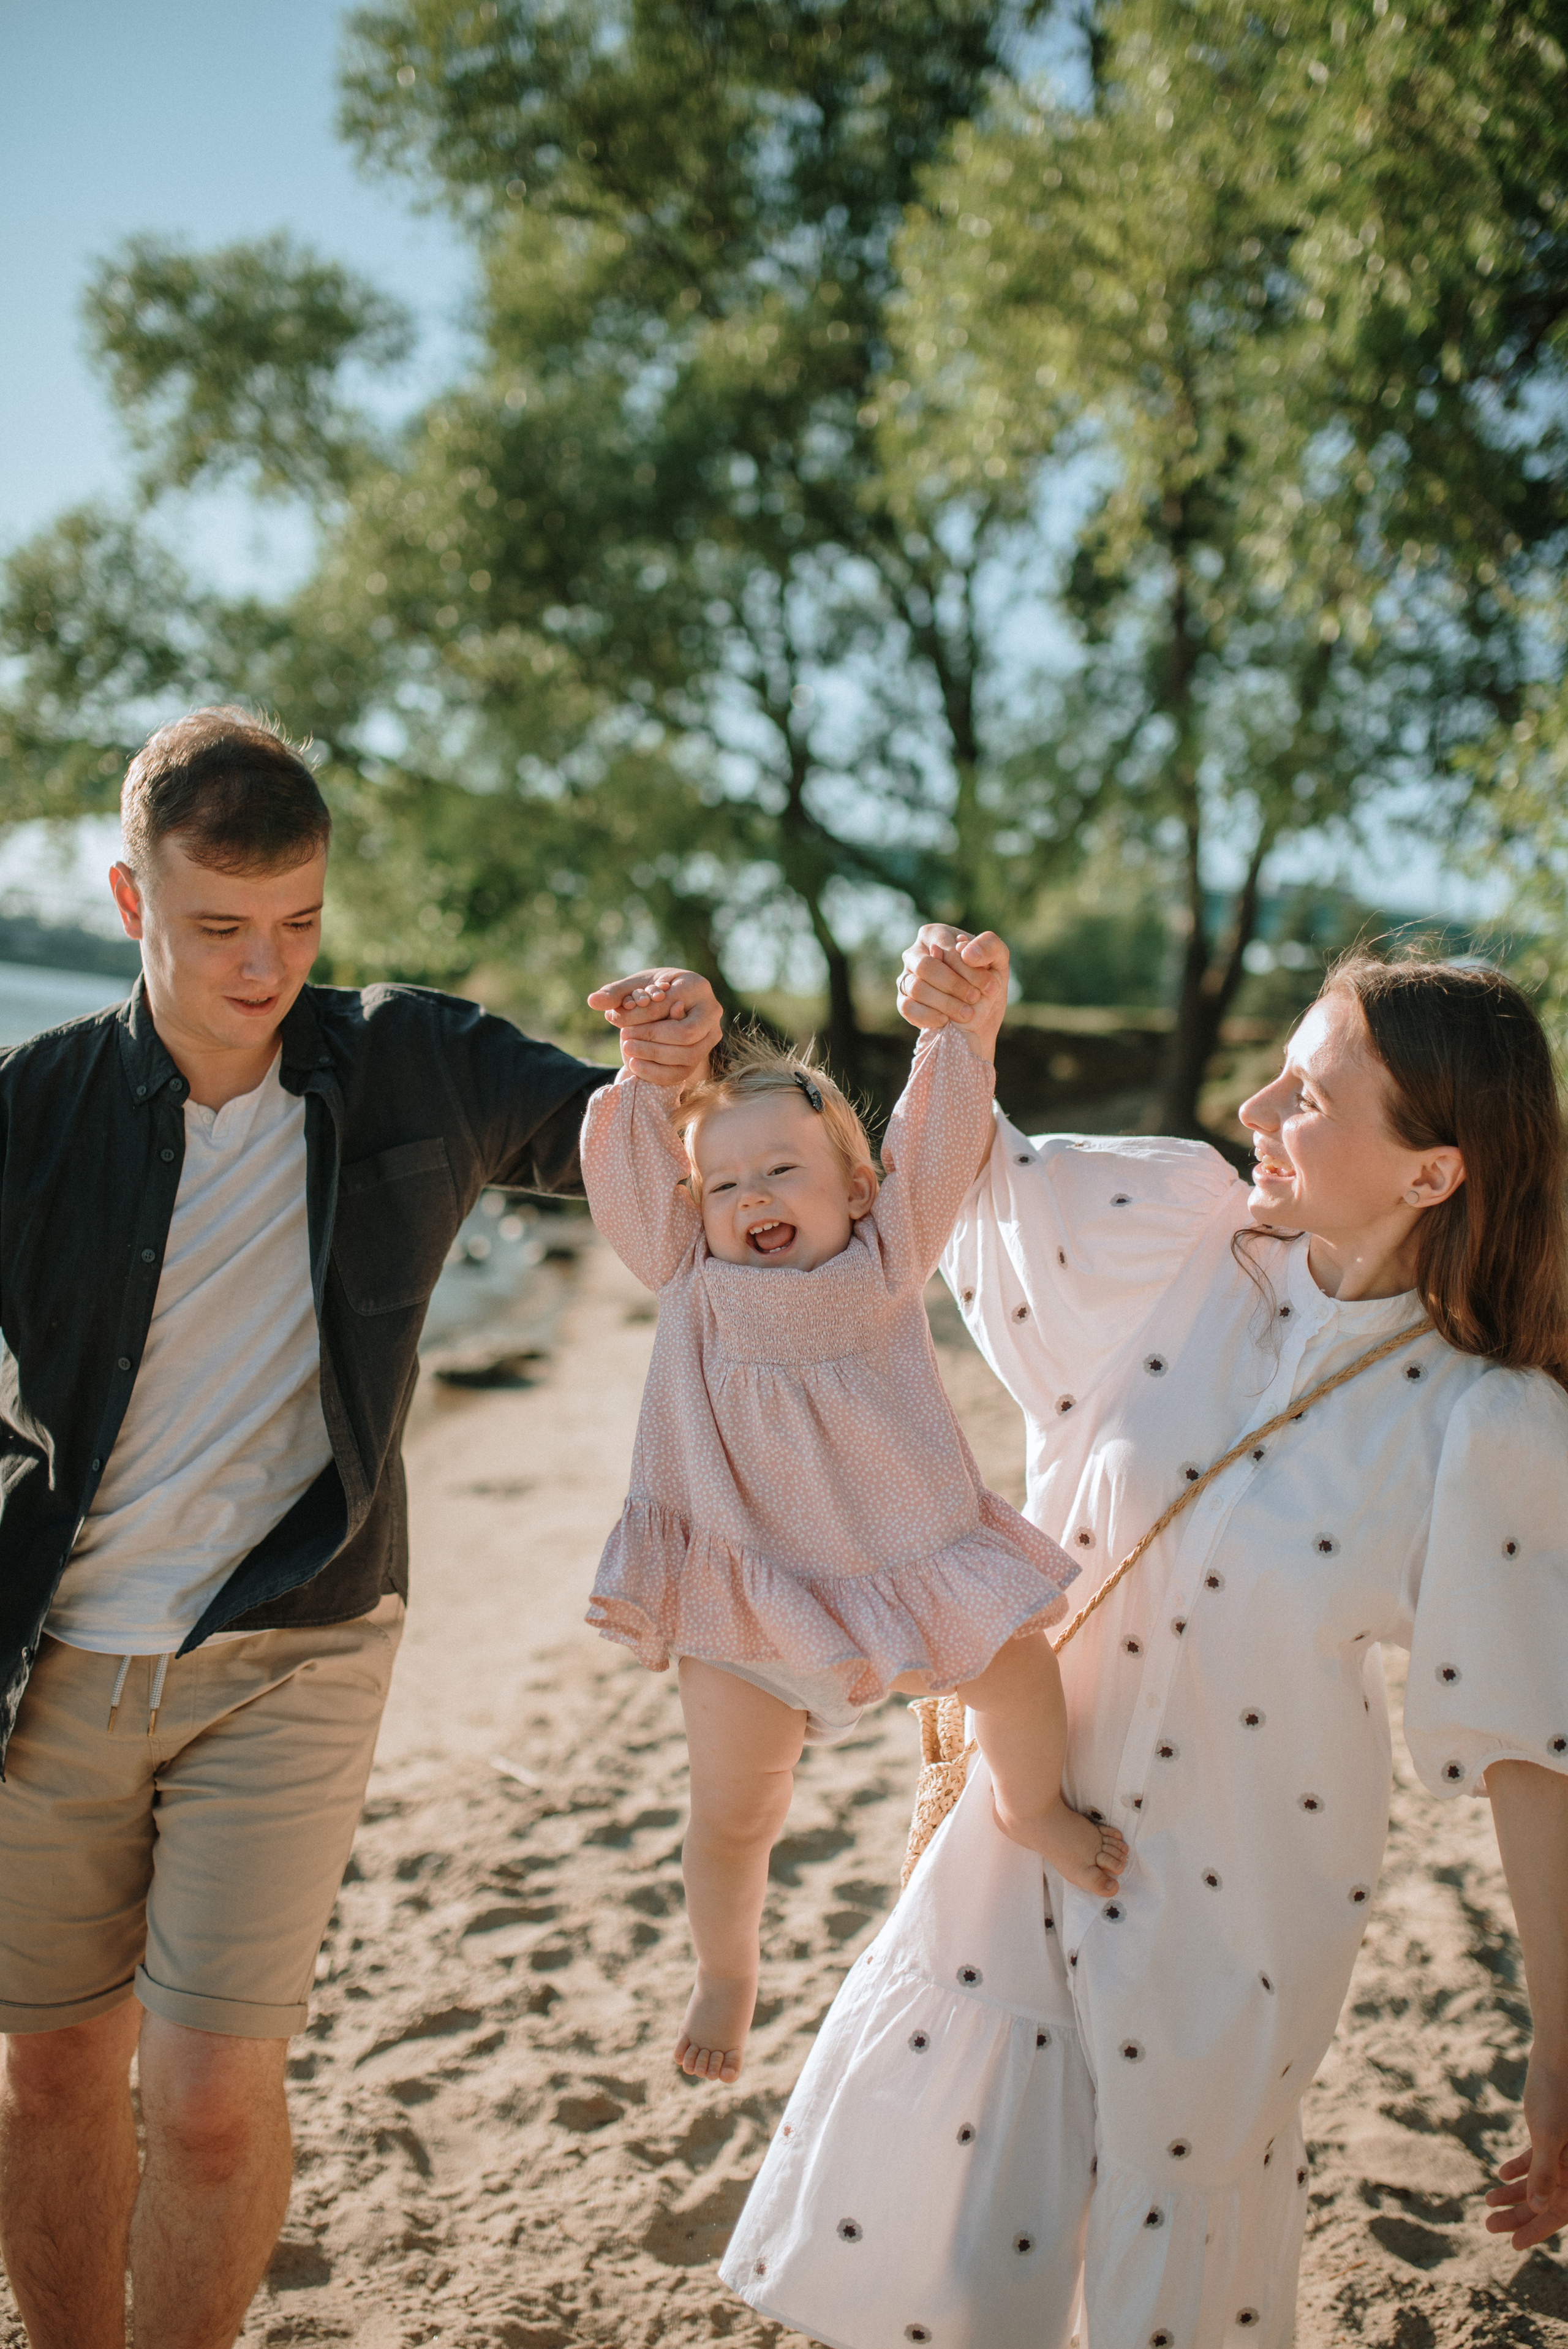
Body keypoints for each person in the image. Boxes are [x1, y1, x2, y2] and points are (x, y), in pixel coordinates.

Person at [722, 927, 1568, 2349]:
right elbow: (962, 1180)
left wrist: (1557, 2043)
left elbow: (1529, 1748)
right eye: (1273, 1076)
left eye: (1304, 1097)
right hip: (1018, 1806)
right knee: (967, 2210)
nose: (1251, 1113)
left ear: (1433, 1172)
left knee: (1169, 2228)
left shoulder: (1482, 1421)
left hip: (1241, 1868)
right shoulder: (1180, 1234)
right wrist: (962, 1033)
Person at [0, 706, 722, 2349]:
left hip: (297, 1643)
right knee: (49, 2076)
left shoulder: (412, 1058)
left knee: (199, 2097)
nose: (267, 970)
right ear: (130, 903)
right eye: (220, 930)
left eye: (300, 925)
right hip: (50, 1656)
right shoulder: (29, 1111)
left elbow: (629, 1149)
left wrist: (670, 1068)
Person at [578, 1002, 1126, 2085]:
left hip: (902, 1565)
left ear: (858, 1189)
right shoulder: (687, 1275)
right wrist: (646, 1081)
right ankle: (727, 1971)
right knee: (736, 1813)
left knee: (1016, 1672)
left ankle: (1030, 1803)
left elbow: (940, 1141)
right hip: (744, 1594)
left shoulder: (888, 1255)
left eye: (782, 1170)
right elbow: (629, 1180)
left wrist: (959, 1035)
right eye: (725, 1185)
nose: (755, 1198)